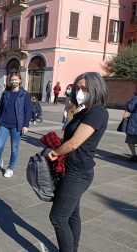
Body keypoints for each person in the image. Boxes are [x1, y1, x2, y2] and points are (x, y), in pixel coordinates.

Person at [47, 72, 109, 252]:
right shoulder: (85, 111)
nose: (80, 92)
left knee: (57, 218)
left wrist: (55, 153)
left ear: (96, 89)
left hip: (78, 173)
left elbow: (74, 143)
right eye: (78, 88)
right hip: (71, 169)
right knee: (72, 214)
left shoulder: (98, 112)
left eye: (85, 89)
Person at [0, 72, 31, 178]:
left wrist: (26, 125)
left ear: (20, 81)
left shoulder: (24, 94)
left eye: (16, 80)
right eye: (12, 80)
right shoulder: (6, 92)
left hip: (17, 125)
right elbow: (0, 108)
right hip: (4, 124)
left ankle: (10, 168)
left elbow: (28, 111)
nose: (14, 82)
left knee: (14, 148)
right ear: (9, 81)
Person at [125, 92, 137, 162]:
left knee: (130, 141)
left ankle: (134, 155)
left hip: (134, 123)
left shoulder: (135, 98)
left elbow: (130, 108)